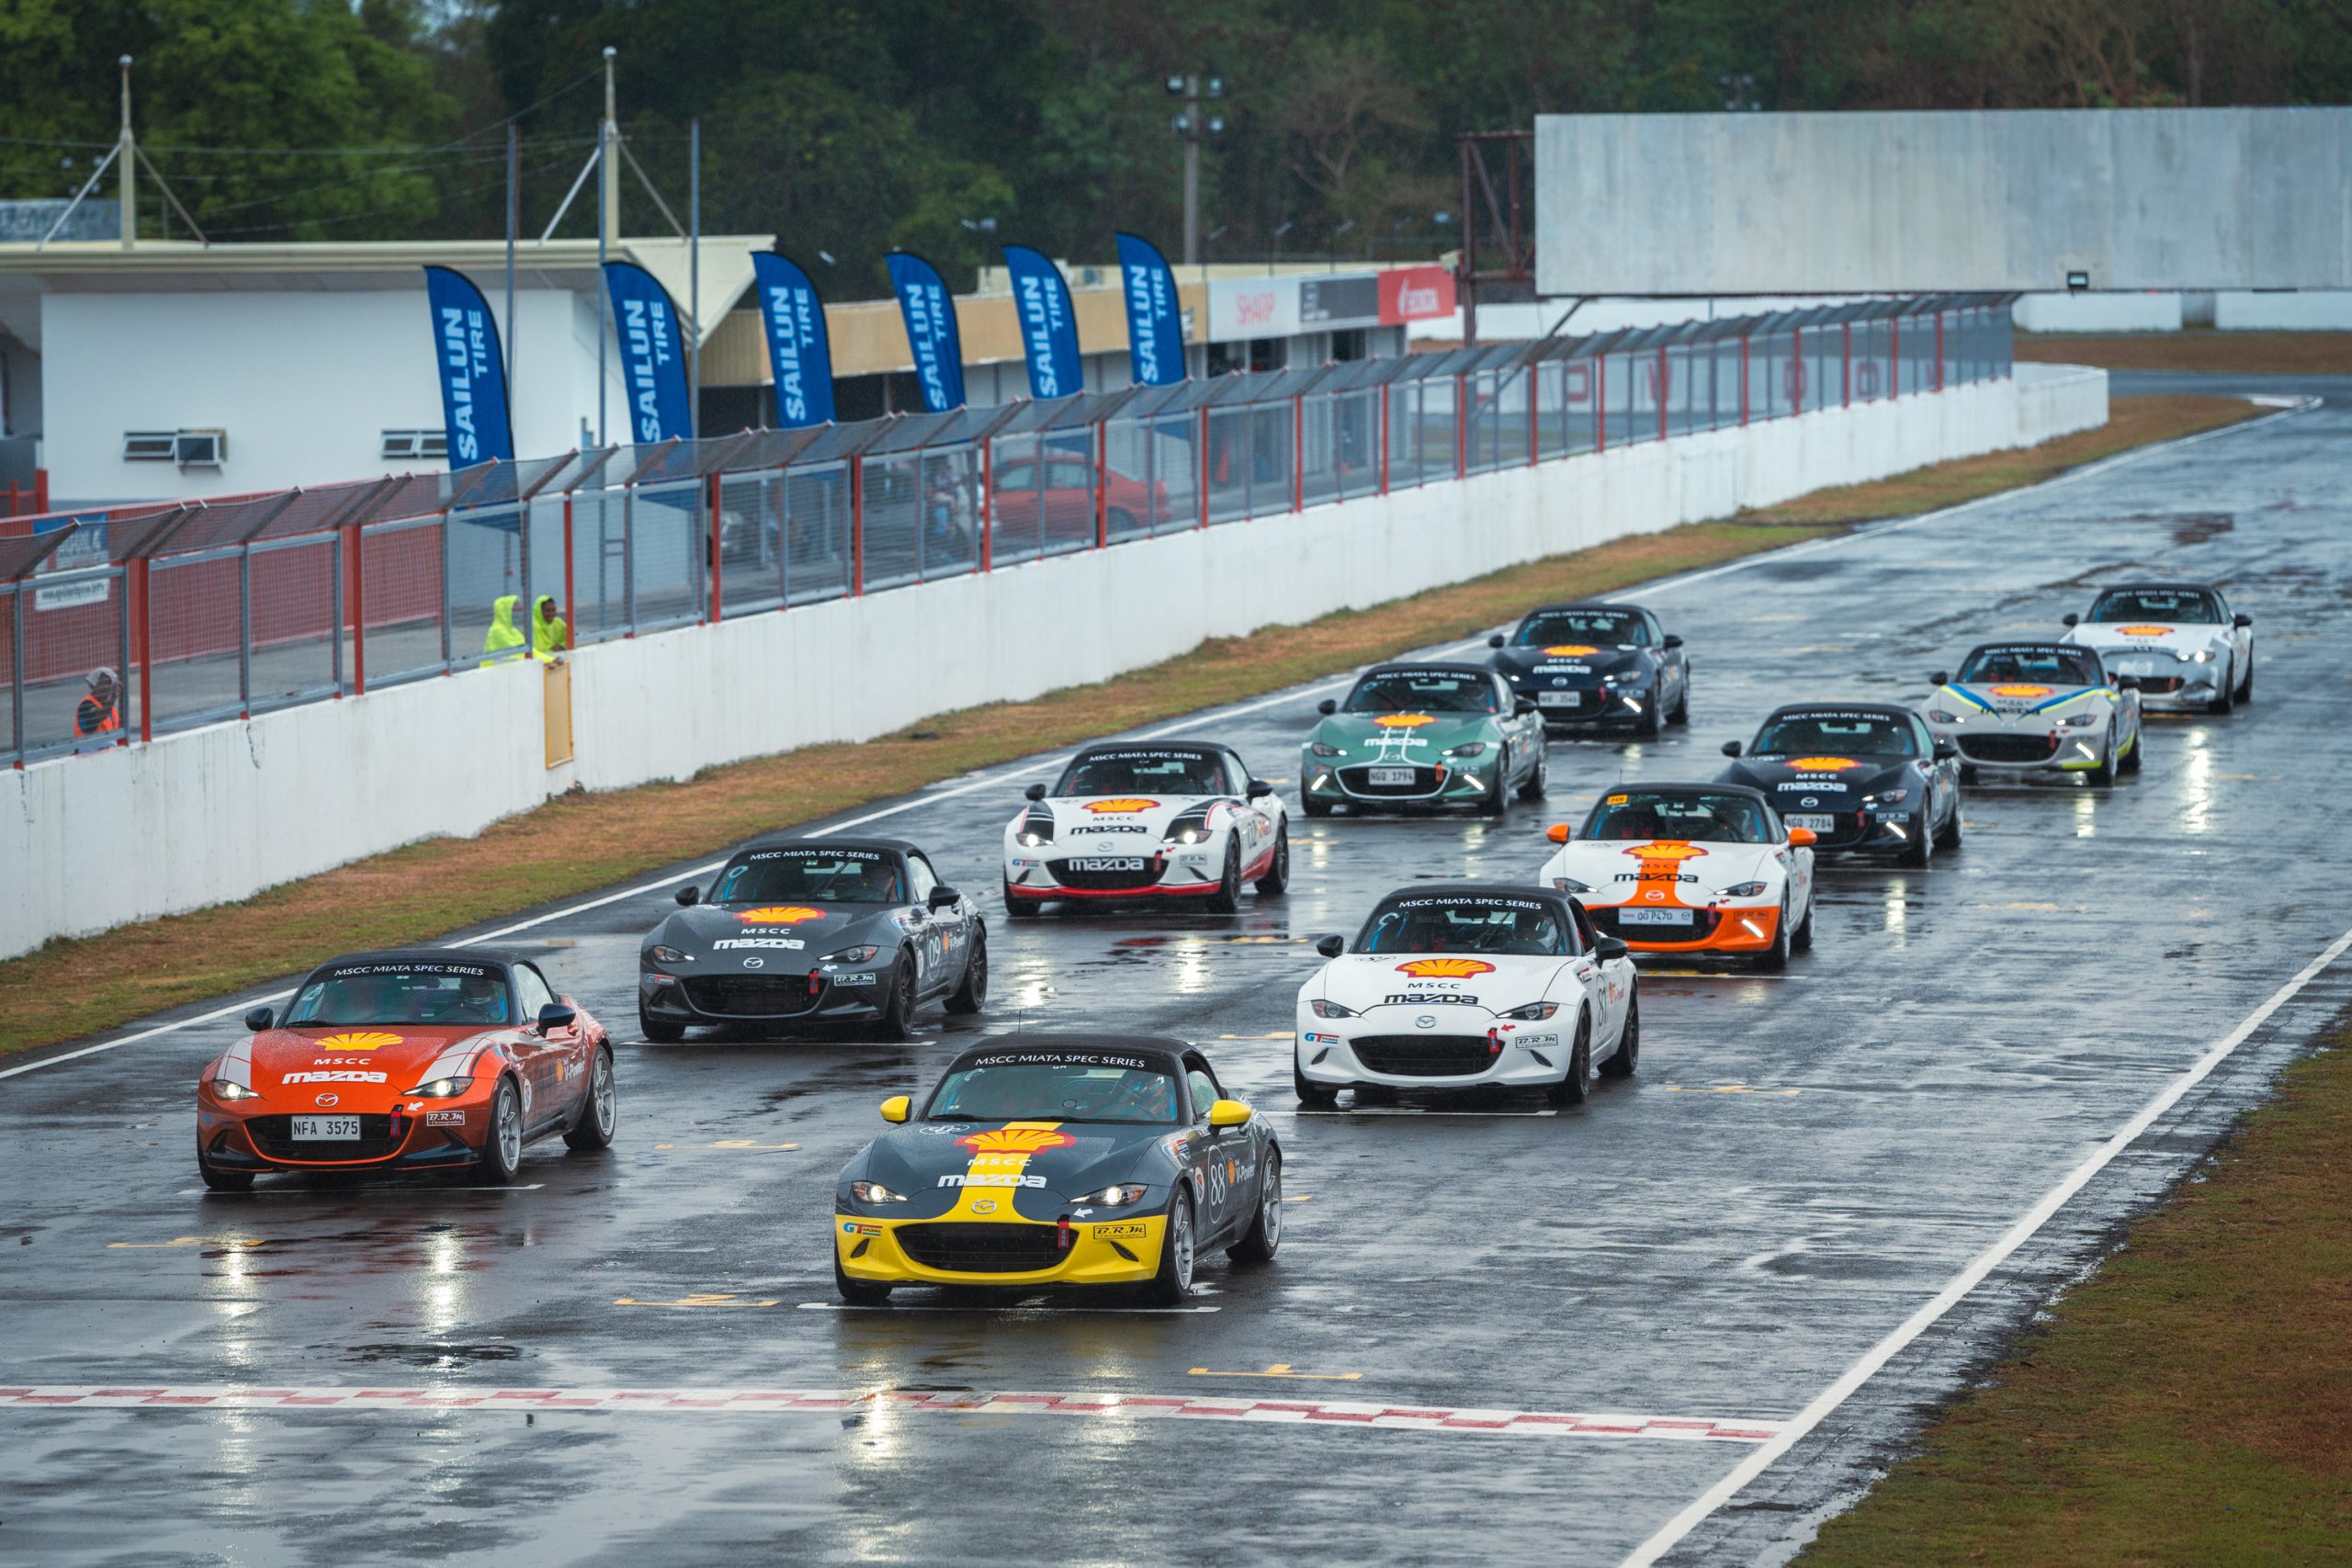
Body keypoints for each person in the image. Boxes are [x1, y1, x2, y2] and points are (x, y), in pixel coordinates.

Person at [75, 667, 121, 739]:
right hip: (89, 747)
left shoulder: (111, 708)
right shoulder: (86, 704)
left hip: (110, 747)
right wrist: (113, 697)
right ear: (94, 684)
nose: (110, 687)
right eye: (106, 683)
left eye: (111, 683)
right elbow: (97, 717)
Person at [481, 595, 526, 665]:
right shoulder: (497, 630)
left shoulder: (513, 631)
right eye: (514, 611)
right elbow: (518, 652)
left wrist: (547, 659)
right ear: (506, 612)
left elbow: (528, 649)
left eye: (520, 611)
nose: (518, 614)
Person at [530, 595, 568, 661]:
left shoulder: (558, 622)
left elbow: (570, 640)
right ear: (539, 611)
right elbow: (539, 650)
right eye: (547, 610)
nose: (551, 613)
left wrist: (561, 647)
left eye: (553, 610)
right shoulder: (533, 625)